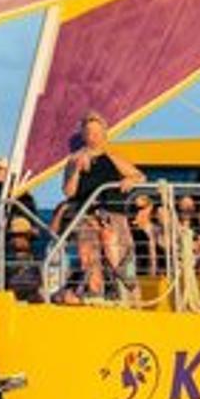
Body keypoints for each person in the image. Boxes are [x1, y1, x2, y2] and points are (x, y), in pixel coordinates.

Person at [62, 112, 143, 298]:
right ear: (83, 135)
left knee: (119, 258)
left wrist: (130, 180)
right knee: (88, 259)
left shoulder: (112, 158)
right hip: (87, 216)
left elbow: (140, 176)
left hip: (113, 215)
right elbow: (68, 192)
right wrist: (75, 170)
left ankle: (132, 298)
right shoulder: (73, 160)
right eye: (89, 132)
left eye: (98, 133)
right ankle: (95, 296)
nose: (93, 137)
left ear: (105, 135)